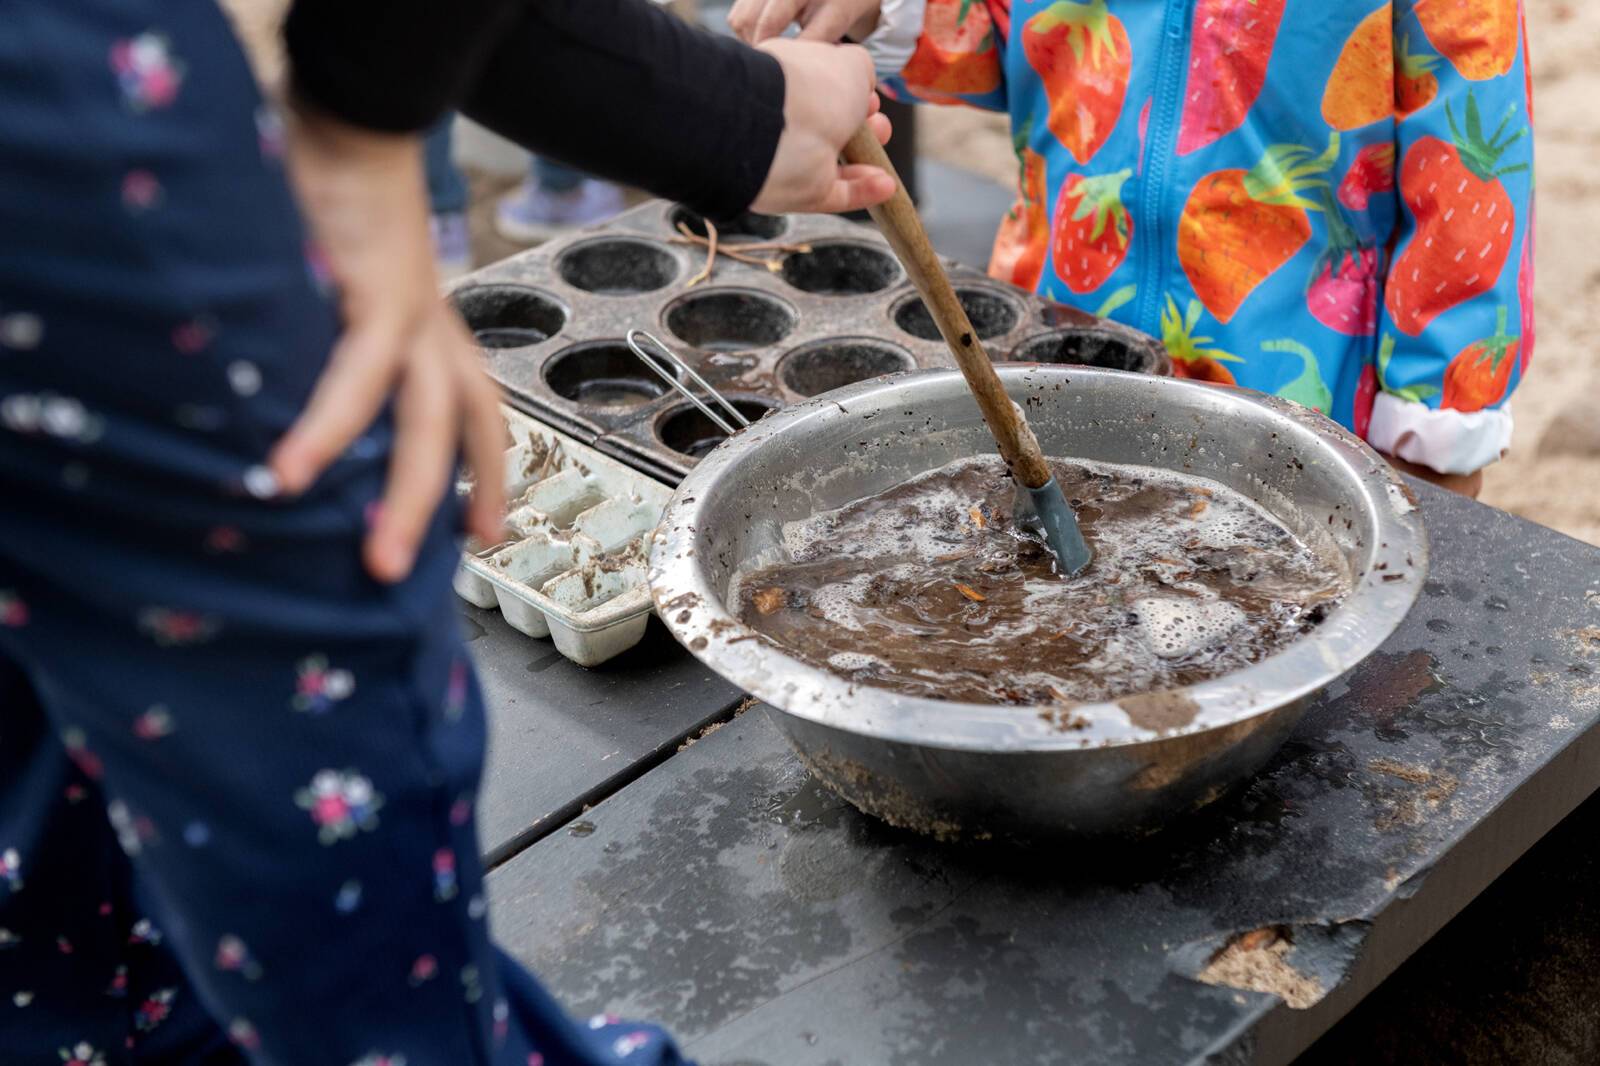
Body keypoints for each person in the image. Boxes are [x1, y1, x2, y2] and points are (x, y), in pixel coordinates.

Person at [0, 0, 892, 1063]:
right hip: (69, 136)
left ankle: (131, 1023)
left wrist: (734, 112)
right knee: (312, 717)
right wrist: (360, 142)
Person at [729, 0, 1536, 498]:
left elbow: (1470, 188)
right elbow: (1012, 47)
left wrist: (1440, 423)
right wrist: (884, 13)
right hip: (1053, 334)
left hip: (1293, 381)